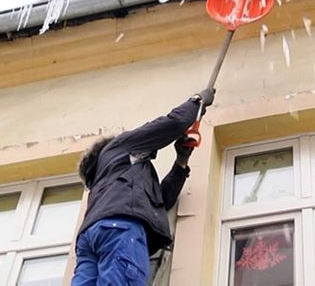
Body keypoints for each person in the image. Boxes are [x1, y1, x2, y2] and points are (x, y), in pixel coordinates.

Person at [71, 88, 215, 286]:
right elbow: (172, 124)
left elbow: (161, 203)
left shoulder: (108, 181)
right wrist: (197, 102)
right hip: (119, 228)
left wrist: (181, 161)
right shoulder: (120, 146)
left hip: (89, 240)